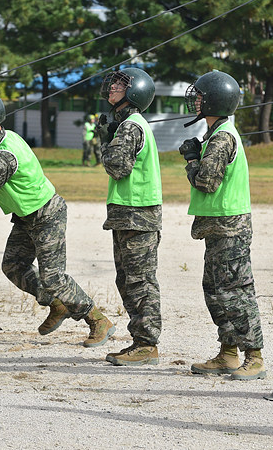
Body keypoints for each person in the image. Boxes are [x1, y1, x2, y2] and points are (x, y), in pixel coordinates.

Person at [0, 90, 115, 348]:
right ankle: (57, 304)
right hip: (27, 217)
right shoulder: (4, 139)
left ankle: (97, 320)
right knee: (14, 265)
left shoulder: (4, 155)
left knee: (54, 277)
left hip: (47, 215)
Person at [178, 70, 265, 380]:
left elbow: (206, 183)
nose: (195, 100)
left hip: (229, 227)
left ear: (214, 101)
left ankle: (254, 357)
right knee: (215, 291)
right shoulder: (216, 134)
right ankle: (228, 354)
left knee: (235, 292)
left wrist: (190, 159)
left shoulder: (222, 137)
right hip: (217, 227)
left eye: (200, 96)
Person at [97, 68, 163, 366]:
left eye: (120, 83)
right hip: (128, 214)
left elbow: (117, 167)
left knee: (139, 281)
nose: (112, 86)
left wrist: (103, 141)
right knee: (127, 279)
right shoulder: (128, 124)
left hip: (138, 215)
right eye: (113, 82)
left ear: (134, 91)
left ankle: (147, 344)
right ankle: (140, 341)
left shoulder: (130, 126)